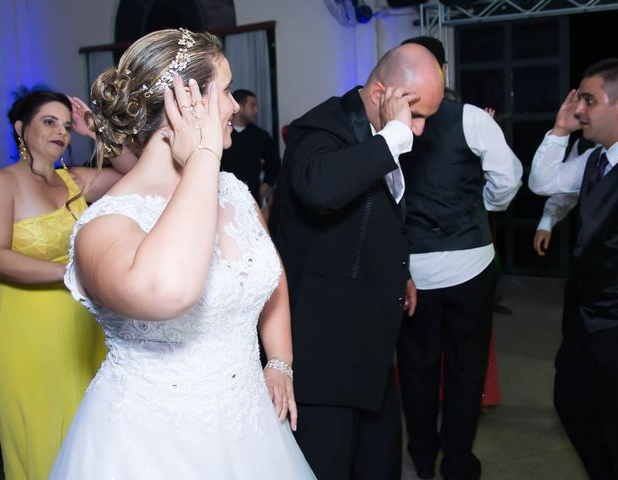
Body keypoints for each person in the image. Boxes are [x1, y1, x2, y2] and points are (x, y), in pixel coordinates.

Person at [49, 28, 315, 479]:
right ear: (184, 104)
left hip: (250, 427)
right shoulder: (103, 225)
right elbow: (171, 291)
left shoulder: (234, 192)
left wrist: (280, 361)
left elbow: (271, 275)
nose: (233, 106)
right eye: (225, 91)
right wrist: (205, 156)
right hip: (152, 444)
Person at [273, 43, 443, 480]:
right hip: (324, 353)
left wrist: (398, 272)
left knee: (380, 465)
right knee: (326, 466)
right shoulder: (321, 128)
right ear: (380, 92)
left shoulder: (385, 128)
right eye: (416, 115)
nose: (419, 130)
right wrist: (395, 137)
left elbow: (380, 214)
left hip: (370, 346)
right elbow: (321, 190)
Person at [397, 36, 522, 480]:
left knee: (417, 369)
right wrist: (482, 203)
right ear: (443, 69)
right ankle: (458, 461)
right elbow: (508, 177)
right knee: (466, 369)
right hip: (470, 263)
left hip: (413, 271)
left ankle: (423, 458)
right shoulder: (469, 117)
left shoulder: (384, 124)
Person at [0, 90, 132, 480]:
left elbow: (135, 174)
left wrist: (95, 130)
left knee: (88, 432)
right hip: (25, 325)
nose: (62, 132)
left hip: (80, 323)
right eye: (49, 122)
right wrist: (72, 274)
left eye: (67, 126)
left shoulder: (75, 181)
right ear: (21, 128)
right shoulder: (1, 183)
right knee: (40, 432)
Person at [528, 58, 618, 479]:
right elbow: (542, 182)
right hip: (584, 320)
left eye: (589, 100)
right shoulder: (593, 160)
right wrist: (559, 131)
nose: (581, 108)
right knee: (572, 404)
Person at [221, 89, 280, 216]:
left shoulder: (261, 136)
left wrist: (262, 189)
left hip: (251, 203)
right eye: (252, 106)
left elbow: (275, 165)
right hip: (222, 202)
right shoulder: (221, 133)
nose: (257, 110)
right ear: (240, 107)